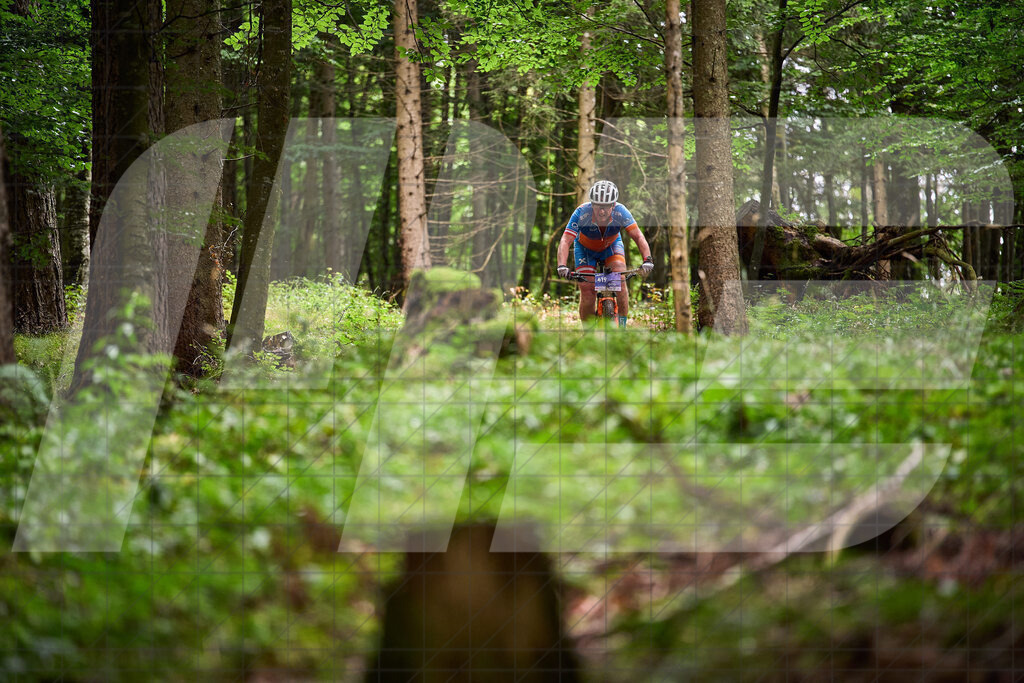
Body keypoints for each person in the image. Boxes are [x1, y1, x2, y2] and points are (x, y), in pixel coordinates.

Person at [556, 180, 654, 327]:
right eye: (598, 206)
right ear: (592, 204)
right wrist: (562, 265)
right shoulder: (581, 213)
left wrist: (647, 259)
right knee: (587, 291)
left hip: (611, 247)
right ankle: (588, 332)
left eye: (606, 207)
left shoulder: (621, 212)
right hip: (585, 250)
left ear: (613, 205)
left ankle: (622, 328)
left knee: (620, 283)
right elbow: (565, 240)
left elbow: (638, 236)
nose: (602, 211)